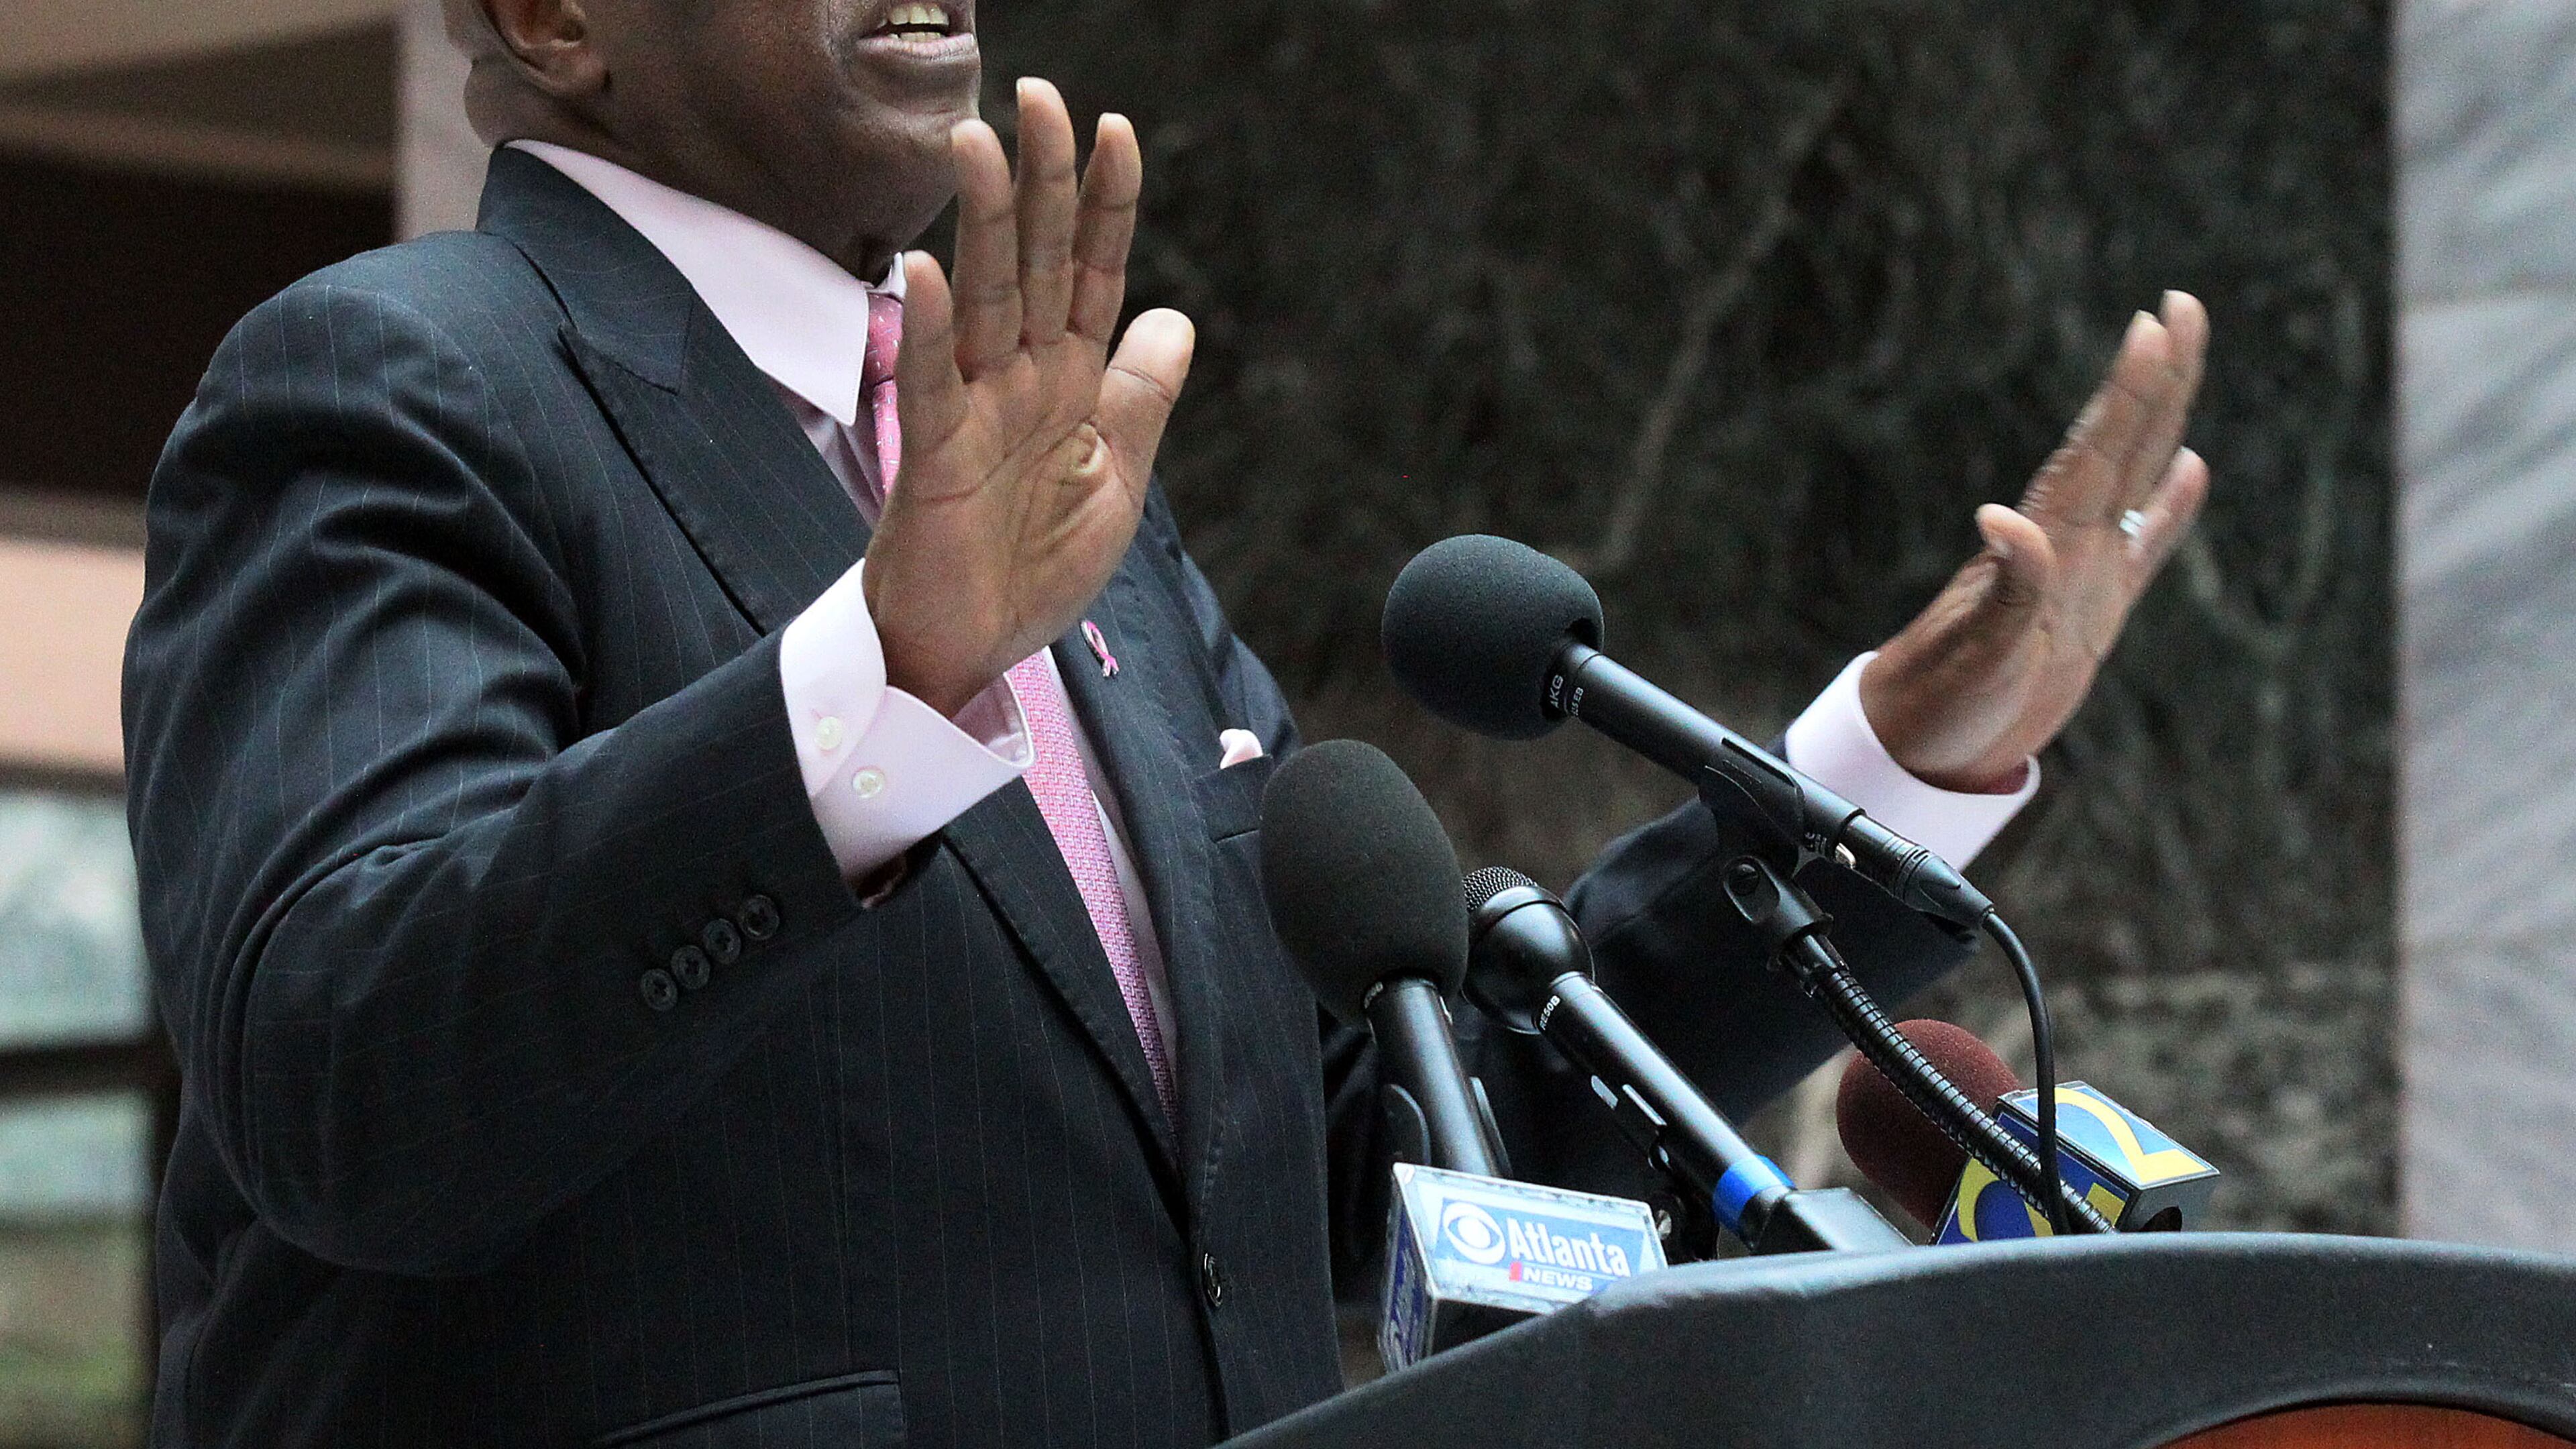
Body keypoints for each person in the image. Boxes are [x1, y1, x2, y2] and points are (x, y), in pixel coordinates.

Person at [119, 1, 2210, 1444]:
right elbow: (345, 1077)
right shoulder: (394, 385)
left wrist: (1886, 775)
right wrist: (883, 685)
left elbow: (1390, 1143)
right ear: (555, 16)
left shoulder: (1071, 533)